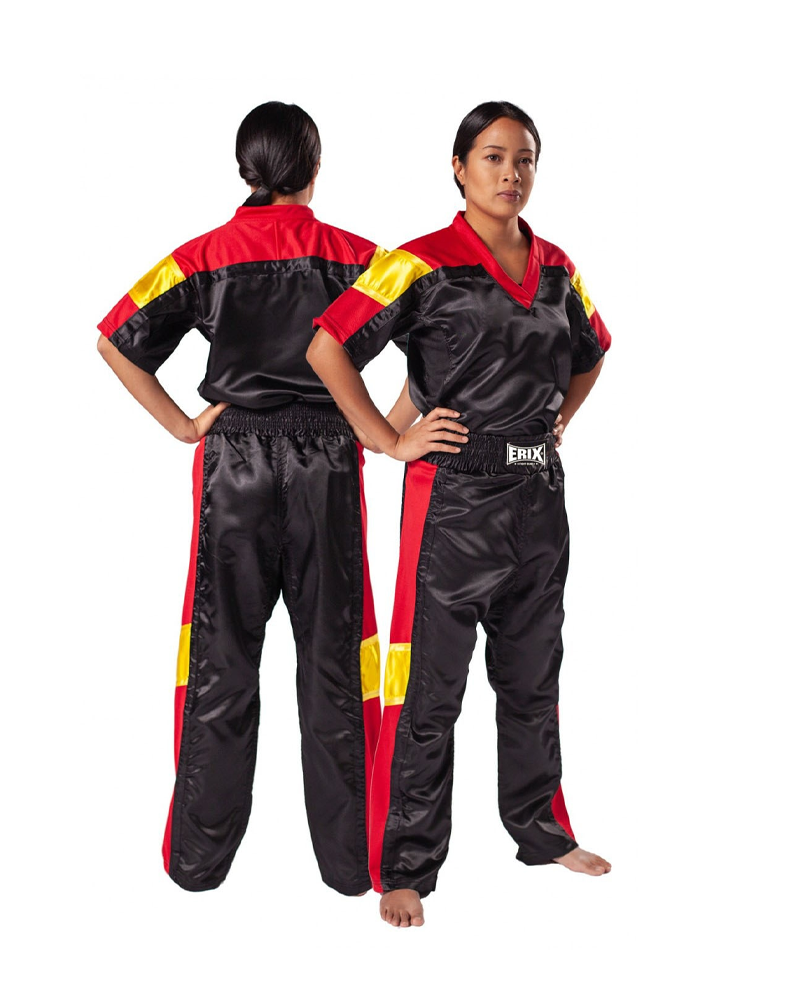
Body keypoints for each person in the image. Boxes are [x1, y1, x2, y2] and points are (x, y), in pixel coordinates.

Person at [307, 100, 613, 927]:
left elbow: (593, 352)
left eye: (525, 159)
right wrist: (386, 439)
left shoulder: (557, 267)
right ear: (459, 167)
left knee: (533, 677)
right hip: (452, 501)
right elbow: (328, 345)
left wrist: (558, 421)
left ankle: (542, 830)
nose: (511, 174)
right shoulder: (418, 262)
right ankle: (405, 866)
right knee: (427, 692)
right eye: (494, 157)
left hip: (539, 498)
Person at [96, 102, 385, 896]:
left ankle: (197, 862)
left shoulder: (203, 255)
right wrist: (385, 430)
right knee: (337, 664)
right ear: (314, 169)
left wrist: (185, 425)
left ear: (245, 169)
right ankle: (353, 865)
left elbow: (115, 337)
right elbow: (438, 327)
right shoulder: (360, 258)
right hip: (328, 465)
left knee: (220, 662)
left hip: (234, 465)